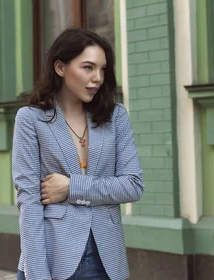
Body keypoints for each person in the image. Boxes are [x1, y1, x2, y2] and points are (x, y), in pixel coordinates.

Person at [12, 27, 144, 280]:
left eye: (102, 69)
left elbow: (132, 185)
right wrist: (38, 275)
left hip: (107, 259)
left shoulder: (115, 117)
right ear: (60, 68)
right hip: (53, 256)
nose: (97, 78)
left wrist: (72, 187)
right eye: (88, 67)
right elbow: (29, 201)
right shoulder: (31, 120)